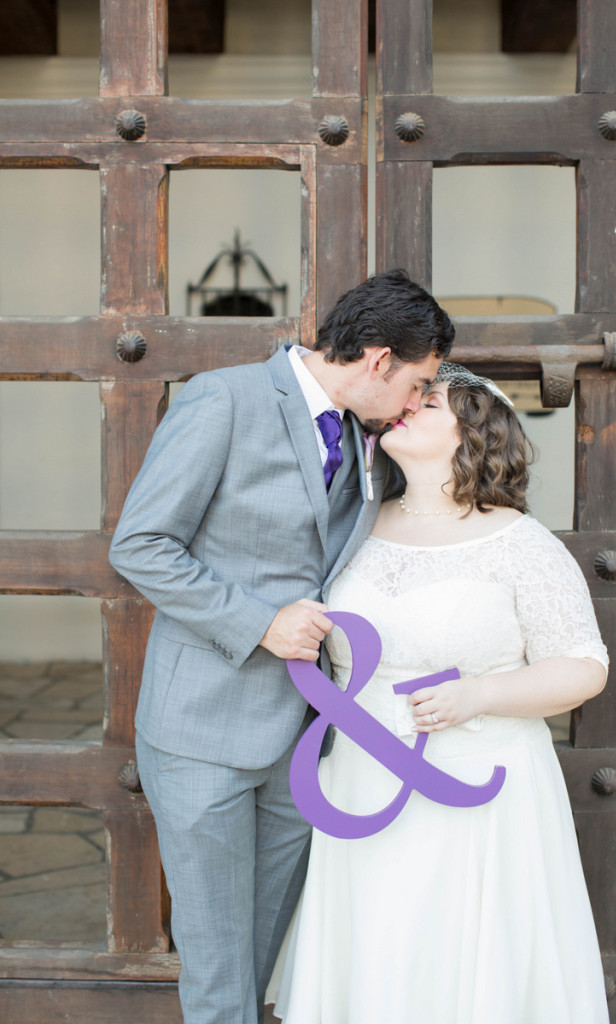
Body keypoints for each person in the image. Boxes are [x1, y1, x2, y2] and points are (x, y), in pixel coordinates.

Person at [108, 269, 455, 1024]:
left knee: (258, 957)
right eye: (416, 383)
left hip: (303, 741)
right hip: (203, 728)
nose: (416, 402)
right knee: (216, 964)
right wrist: (259, 623)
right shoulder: (224, 399)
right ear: (375, 358)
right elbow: (140, 545)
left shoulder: (369, 438)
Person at [274, 362, 610, 1024]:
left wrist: (479, 694)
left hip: (479, 786)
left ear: (470, 435)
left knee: (465, 956)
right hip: (360, 778)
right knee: (376, 945)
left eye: (428, 403)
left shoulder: (520, 544)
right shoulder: (353, 527)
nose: (406, 405)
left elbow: (582, 665)